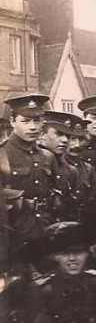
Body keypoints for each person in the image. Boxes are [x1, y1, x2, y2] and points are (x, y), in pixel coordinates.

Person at [0, 94, 58, 226]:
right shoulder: (2, 154)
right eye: (25, 121)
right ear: (12, 121)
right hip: (12, 232)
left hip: (45, 227)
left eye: (37, 120)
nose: (32, 127)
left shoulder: (48, 156)